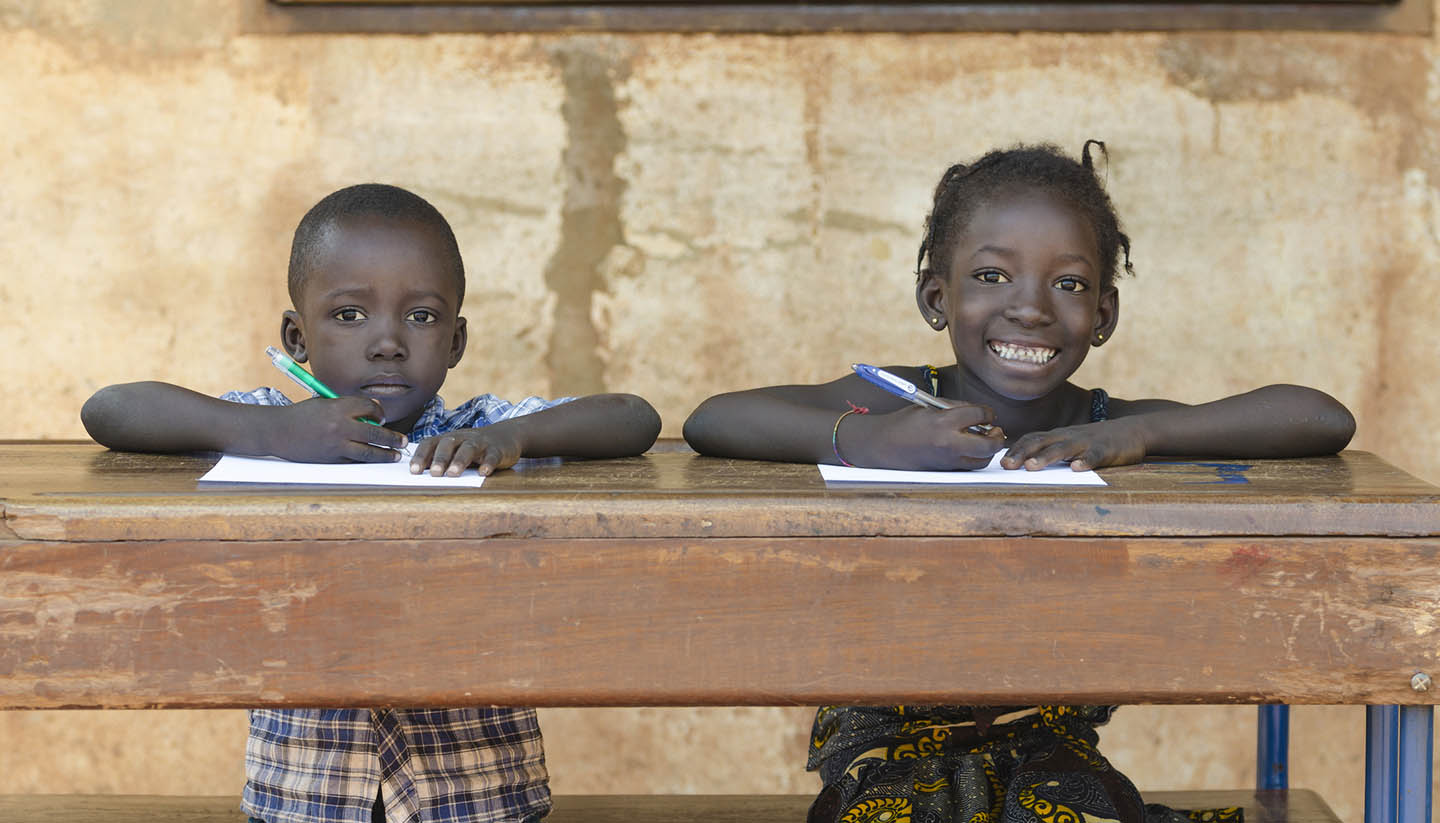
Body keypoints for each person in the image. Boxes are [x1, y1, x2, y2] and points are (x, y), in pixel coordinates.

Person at [683, 143, 1354, 823]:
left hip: (1050, 755)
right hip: (890, 755)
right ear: (936, 297)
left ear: (1103, 315)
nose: (1029, 307)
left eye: (1068, 284)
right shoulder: (902, 403)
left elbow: (1319, 416)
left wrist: (1135, 435)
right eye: (992, 275)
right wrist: (873, 439)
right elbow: (713, 418)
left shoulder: (1100, 427)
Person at [82, 183, 662, 823]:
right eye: (350, 315)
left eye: (421, 317)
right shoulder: (274, 431)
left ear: (457, 342)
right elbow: (111, 409)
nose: (388, 341)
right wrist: (271, 434)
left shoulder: (476, 433)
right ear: (295, 338)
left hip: (479, 796)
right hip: (304, 796)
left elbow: (633, 418)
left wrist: (510, 438)